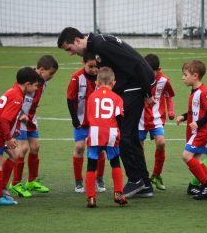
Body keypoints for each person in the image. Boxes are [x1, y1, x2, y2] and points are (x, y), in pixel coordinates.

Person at [57, 27, 156, 198]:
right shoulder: (97, 44)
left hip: (137, 85)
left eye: (69, 49)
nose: (70, 53)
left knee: (122, 134)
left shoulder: (101, 45)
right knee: (131, 135)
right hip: (132, 85)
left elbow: (136, 63)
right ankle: (145, 183)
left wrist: (148, 92)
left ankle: (135, 180)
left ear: (77, 40)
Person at [0, 67, 40, 206]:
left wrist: (16, 127)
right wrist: (9, 138)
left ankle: (2, 189)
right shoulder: (17, 97)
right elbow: (4, 119)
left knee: (14, 155)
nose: (36, 88)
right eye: (35, 85)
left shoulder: (15, 91)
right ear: (27, 84)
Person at [8, 55, 59, 198]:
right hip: (20, 117)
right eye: (51, 73)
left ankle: (31, 181)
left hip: (31, 117)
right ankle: (15, 184)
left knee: (35, 147)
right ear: (41, 70)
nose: (52, 77)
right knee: (22, 148)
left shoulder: (42, 82)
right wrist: (21, 113)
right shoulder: (27, 79)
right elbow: (16, 96)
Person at [176, 60, 207, 200]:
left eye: (185, 74)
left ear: (195, 76)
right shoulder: (195, 91)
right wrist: (184, 116)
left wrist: (198, 123)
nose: (183, 77)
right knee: (197, 159)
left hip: (203, 130)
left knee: (186, 156)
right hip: (199, 130)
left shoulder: (202, 92)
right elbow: (195, 111)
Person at [85, 66, 127, 207]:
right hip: (111, 133)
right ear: (113, 83)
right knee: (115, 162)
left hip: (95, 132)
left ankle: (91, 197)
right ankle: (118, 193)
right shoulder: (117, 98)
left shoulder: (91, 97)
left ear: (96, 83)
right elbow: (119, 117)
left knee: (91, 165)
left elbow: (89, 116)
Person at [66, 52, 106, 193]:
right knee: (79, 147)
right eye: (91, 66)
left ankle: (99, 179)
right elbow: (70, 100)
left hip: (98, 120)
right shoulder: (77, 78)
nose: (94, 69)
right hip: (81, 120)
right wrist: (75, 119)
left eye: (96, 66)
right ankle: (78, 181)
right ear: (83, 63)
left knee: (99, 149)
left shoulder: (102, 78)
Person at [139, 54, 175, 192]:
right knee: (138, 148)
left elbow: (168, 96)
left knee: (161, 143)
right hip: (140, 119)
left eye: (152, 71)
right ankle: (142, 177)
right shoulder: (138, 78)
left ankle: (156, 175)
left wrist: (170, 110)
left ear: (158, 69)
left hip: (156, 118)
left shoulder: (164, 80)